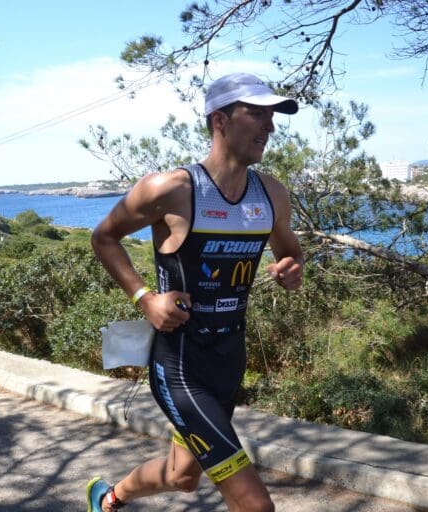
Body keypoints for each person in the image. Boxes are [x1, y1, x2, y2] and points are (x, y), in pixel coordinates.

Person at [88, 72, 305, 512]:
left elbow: (292, 252)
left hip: (229, 362)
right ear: (220, 120)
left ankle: (108, 498)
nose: (270, 127)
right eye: (257, 113)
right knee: (255, 505)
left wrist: (291, 268)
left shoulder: (272, 195)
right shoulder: (171, 189)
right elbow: (104, 237)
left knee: (182, 476)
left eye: (273, 116)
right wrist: (145, 299)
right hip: (181, 367)